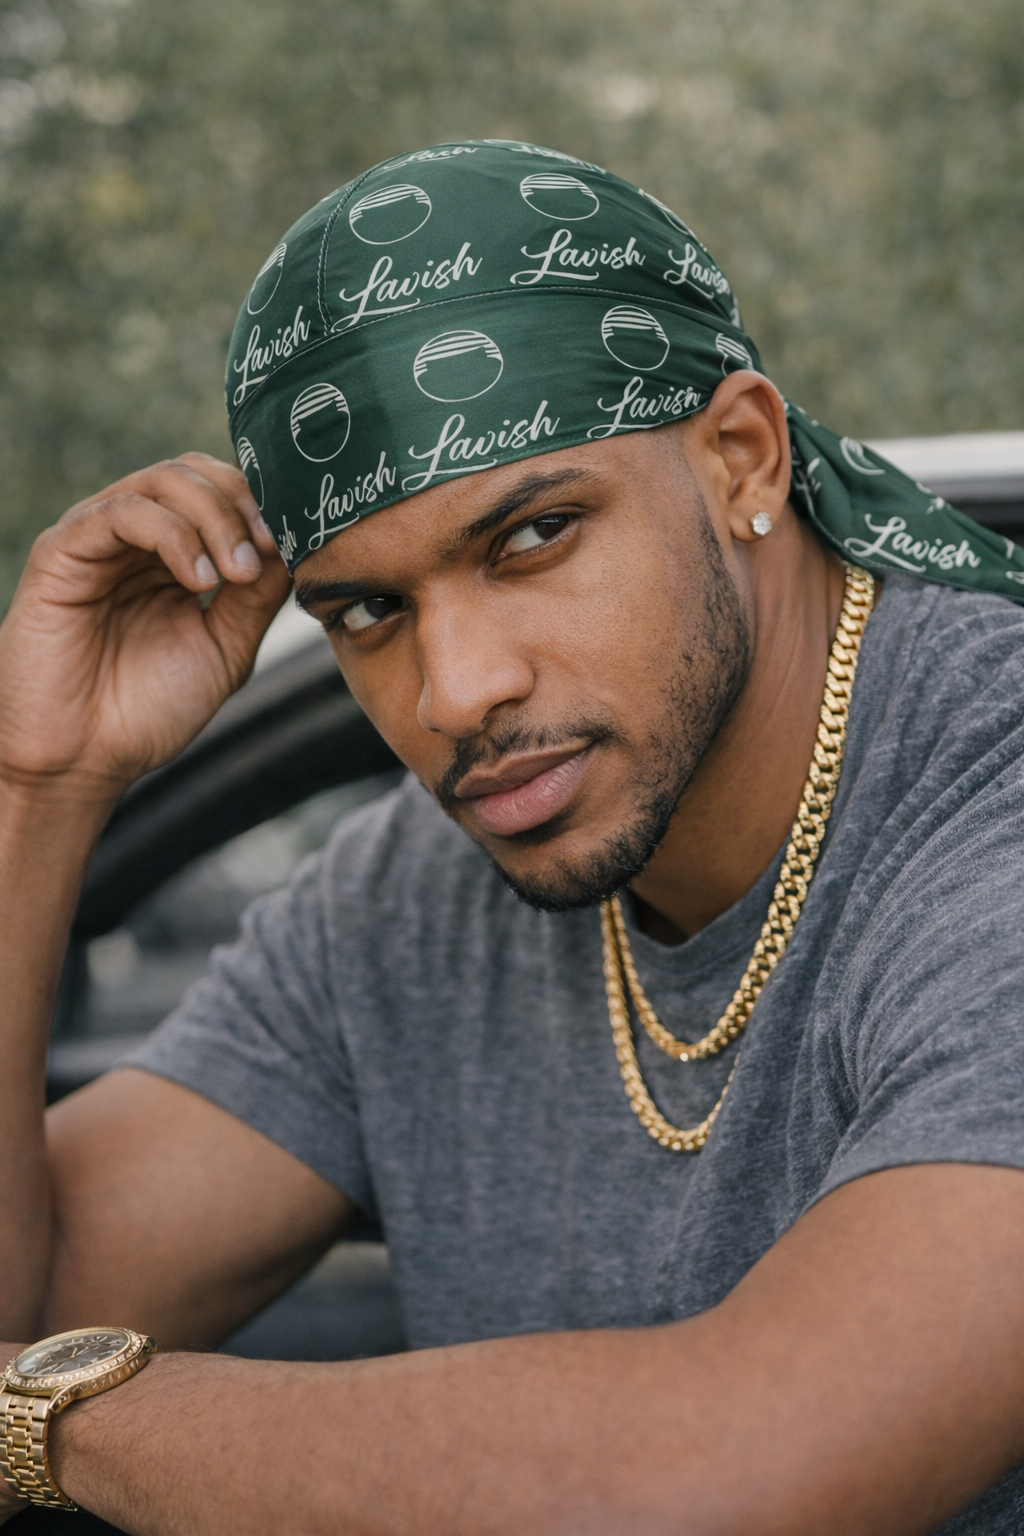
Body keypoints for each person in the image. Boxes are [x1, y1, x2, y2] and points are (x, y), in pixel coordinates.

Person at [0, 140, 1022, 1536]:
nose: (454, 692)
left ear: (741, 458)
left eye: (533, 536)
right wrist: (39, 786)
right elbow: (33, 1301)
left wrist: (52, 1425)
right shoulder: (408, 898)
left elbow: (729, 1480)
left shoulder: (987, 801)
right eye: (369, 611)